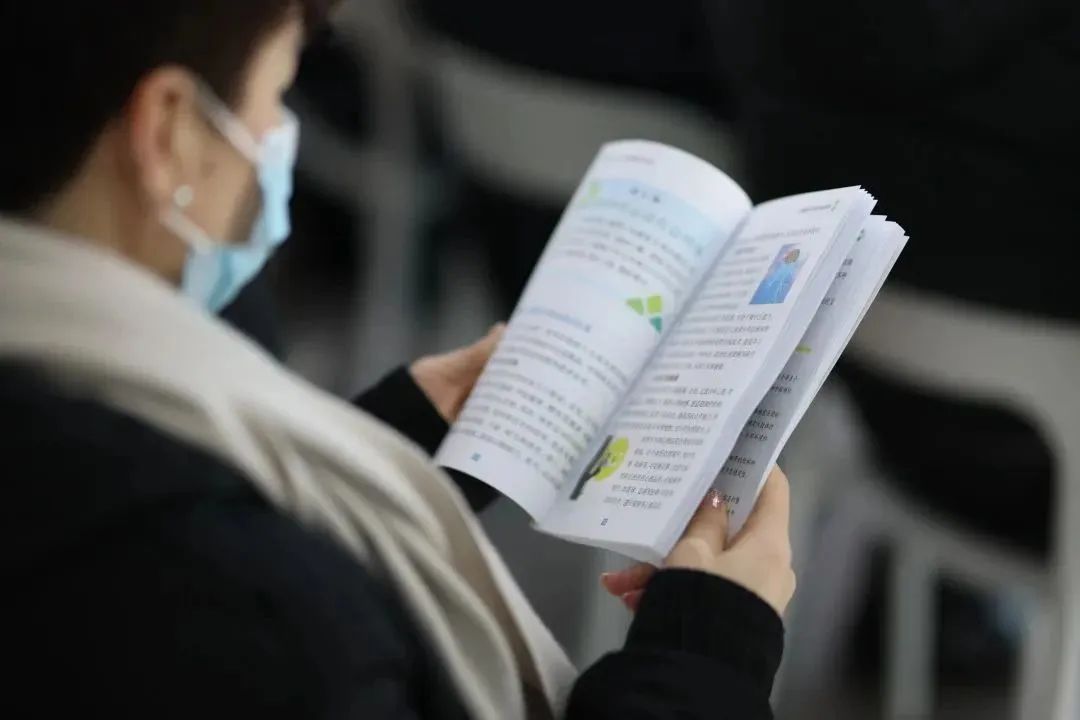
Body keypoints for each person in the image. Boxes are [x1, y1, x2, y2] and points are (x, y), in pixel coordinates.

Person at [0, 2, 795, 719]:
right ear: (168, 132)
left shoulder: (69, 390)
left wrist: (386, 445)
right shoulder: (258, 619)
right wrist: (706, 653)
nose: (276, 137)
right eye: (274, 95)